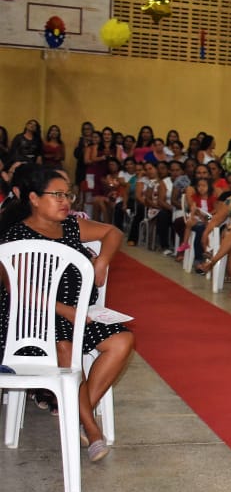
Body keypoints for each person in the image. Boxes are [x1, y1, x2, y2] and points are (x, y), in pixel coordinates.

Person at [0, 166, 135, 462]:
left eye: (68, 195)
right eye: (57, 195)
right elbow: (20, 290)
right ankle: (91, 429)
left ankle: (73, 412)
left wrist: (101, 262)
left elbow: (113, 232)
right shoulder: (16, 235)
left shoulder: (73, 228)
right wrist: (66, 312)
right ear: (34, 198)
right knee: (66, 347)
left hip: (77, 317)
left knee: (122, 341)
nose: (66, 202)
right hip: (32, 322)